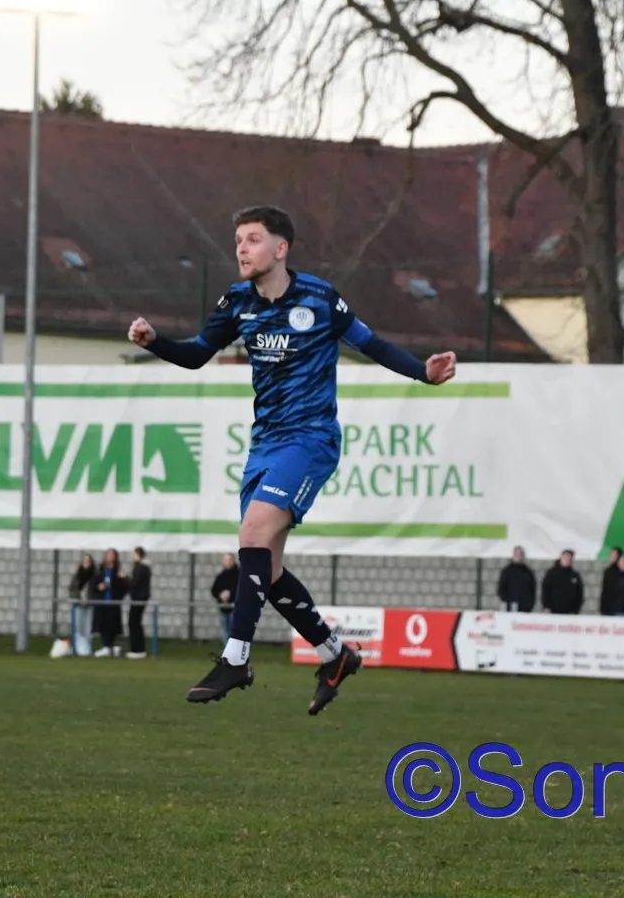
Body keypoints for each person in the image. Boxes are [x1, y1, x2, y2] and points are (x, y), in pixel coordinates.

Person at [129, 204, 456, 713]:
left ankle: (236, 659)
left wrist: (423, 372)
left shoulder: (320, 299)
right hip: (265, 444)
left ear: (280, 248)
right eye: (238, 240)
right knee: (268, 567)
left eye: (253, 239)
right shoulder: (237, 301)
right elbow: (197, 354)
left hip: (311, 439)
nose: (241, 248)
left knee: (252, 535)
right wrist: (155, 343)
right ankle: (335, 654)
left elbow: (372, 345)